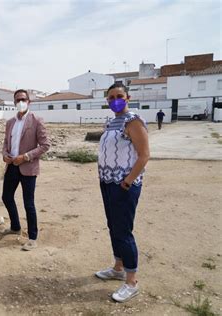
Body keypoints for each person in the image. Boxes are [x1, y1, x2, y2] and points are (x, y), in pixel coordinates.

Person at [96, 83, 150, 302]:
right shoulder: (110, 122)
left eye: (119, 96)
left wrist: (127, 182)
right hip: (107, 182)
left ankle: (131, 281)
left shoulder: (133, 121)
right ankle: (118, 267)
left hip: (124, 185)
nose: (115, 100)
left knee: (124, 231)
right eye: (111, 97)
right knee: (113, 226)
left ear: (128, 98)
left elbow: (144, 155)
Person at [1, 89, 50, 251]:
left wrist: (26, 156)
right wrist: (5, 154)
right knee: (7, 197)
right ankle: (15, 226)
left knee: (28, 203)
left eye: (23, 99)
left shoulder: (36, 120)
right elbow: (5, 143)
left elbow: (45, 145)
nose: (20, 102)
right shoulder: (10, 122)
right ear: (14, 102)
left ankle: (32, 237)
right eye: (17, 100)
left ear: (29, 102)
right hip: (12, 167)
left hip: (28, 167)